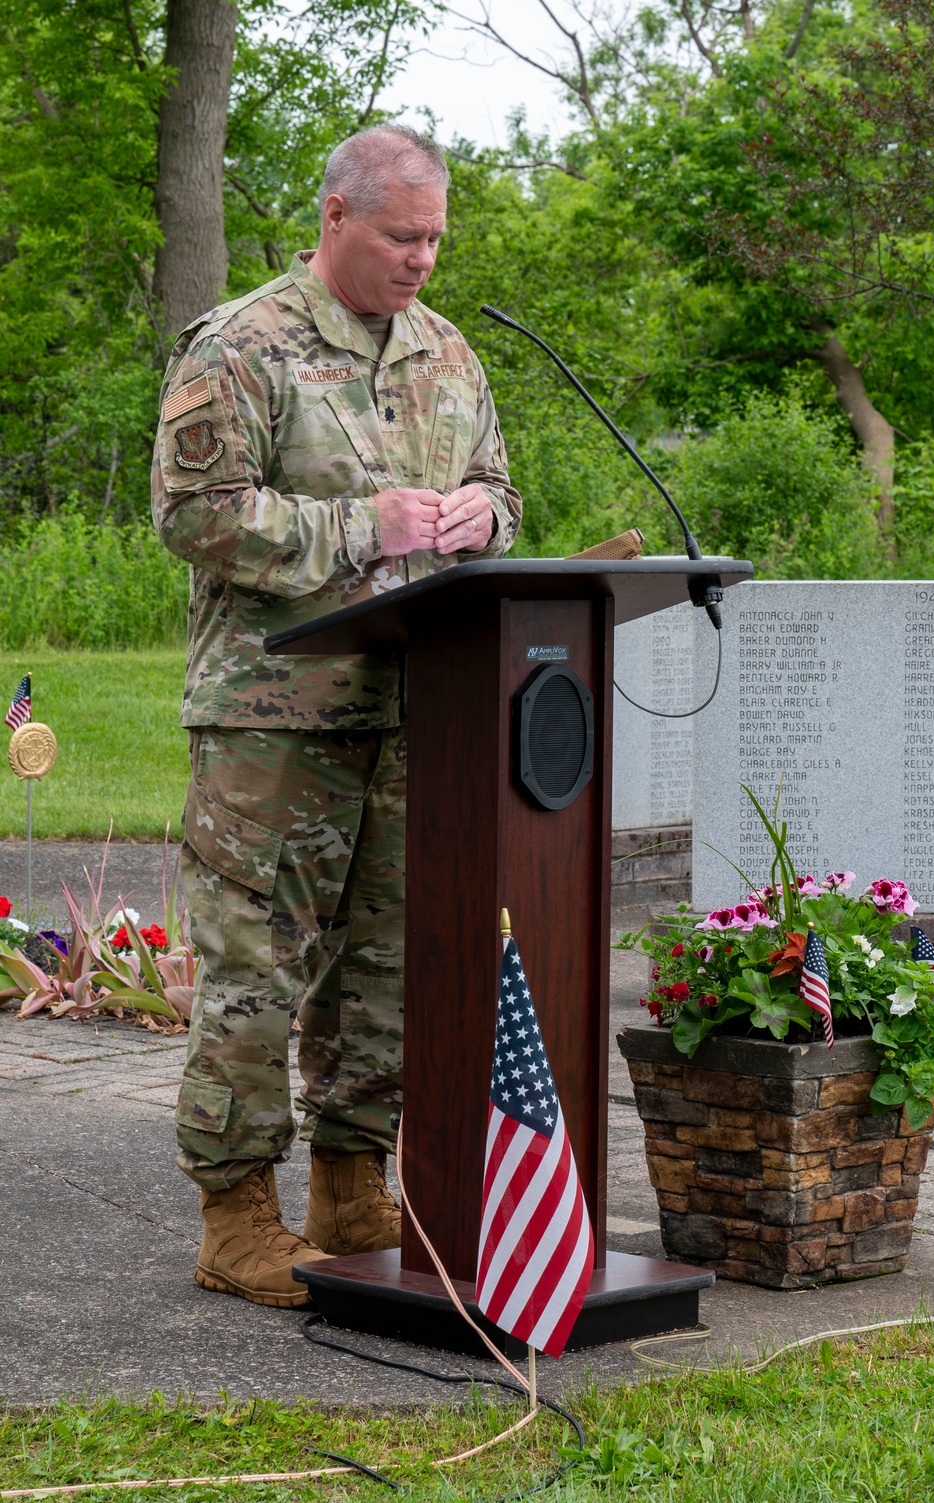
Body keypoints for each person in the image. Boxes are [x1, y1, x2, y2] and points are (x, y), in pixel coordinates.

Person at [151, 124, 522, 1308]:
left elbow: (500, 488)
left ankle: (354, 1188)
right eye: (401, 237)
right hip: (274, 720)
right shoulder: (244, 344)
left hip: (416, 712)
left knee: (385, 967)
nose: (422, 260)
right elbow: (195, 516)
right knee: (255, 970)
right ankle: (237, 1216)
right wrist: (368, 526)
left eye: (435, 240)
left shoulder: (449, 352)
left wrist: (480, 522)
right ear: (334, 219)